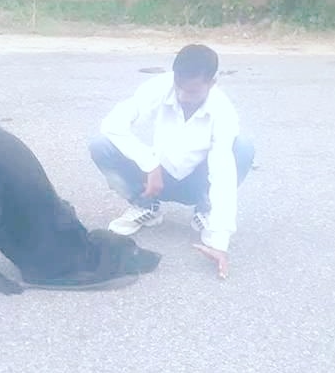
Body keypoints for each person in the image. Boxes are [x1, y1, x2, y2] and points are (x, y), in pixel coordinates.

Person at [88, 44, 255, 280]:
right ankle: (146, 206)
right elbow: (112, 125)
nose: (184, 97)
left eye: (194, 92)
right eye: (180, 88)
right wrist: (150, 163)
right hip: (156, 180)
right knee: (100, 145)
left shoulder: (223, 112)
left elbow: (223, 174)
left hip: (197, 183)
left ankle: (205, 209)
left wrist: (219, 241)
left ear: (212, 82)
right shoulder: (159, 88)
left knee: (243, 148)